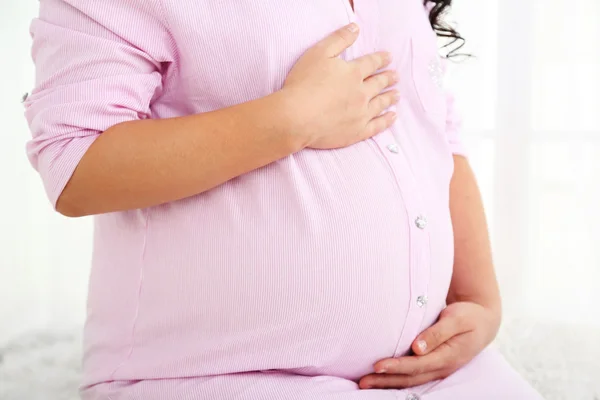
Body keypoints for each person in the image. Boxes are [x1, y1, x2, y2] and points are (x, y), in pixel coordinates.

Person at [24, 0, 544, 399]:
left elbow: (436, 131)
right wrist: (290, 120)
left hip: (428, 371)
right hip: (218, 377)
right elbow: (76, 162)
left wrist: (481, 302)